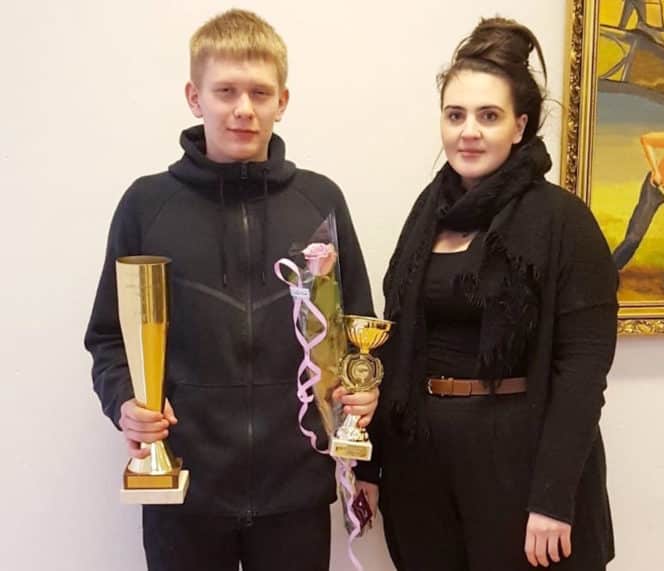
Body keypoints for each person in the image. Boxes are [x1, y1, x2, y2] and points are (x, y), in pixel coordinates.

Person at [84, 9, 377, 571]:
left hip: (295, 493)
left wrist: (361, 393)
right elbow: (107, 337)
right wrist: (124, 401)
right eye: (226, 91)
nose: (244, 108)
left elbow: (354, 329)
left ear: (282, 101)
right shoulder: (147, 206)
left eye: (260, 93)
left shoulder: (321, 202)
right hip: (185, 492)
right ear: (195, 98)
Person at [355, 17, 618, 571]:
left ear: (520, 127)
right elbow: (394, 341)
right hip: (421, 464)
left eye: (488, 116)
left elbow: (583, 367)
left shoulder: (563, 221)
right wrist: (370, 463)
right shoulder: (427, 214)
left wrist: (553, 498)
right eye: (455, 115)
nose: (468, 131)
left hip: (517, 465)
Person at [612, 130, 664, 292]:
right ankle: (610, 269)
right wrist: (656, 171)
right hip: (654, 187)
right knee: (635, 235)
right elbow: (646, 139)